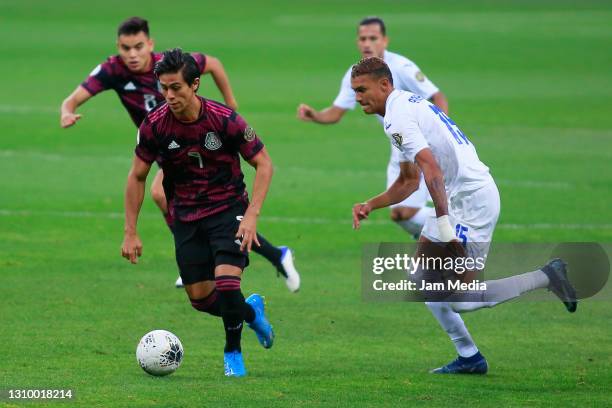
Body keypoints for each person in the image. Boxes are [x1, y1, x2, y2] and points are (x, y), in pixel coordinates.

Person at [350, 57, 577, 374]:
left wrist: (444, 225)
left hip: (472, 202)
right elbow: (409, 180)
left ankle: (547, 276)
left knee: (461, 299)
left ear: (385, 84)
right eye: (354, 91)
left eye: (362, 89)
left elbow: (432, 169)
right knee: (423, 280)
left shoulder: (397, 118)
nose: (358, 97)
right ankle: (469, 356)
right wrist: (371, 204)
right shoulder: (403, 108)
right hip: (457, 198)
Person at [61, 16, 300, 292]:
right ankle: (266, 255)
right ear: (118, 47)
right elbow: (72, 99)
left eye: (138, 46)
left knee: (167, 195)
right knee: (174, 200)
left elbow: (215, 64)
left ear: (150, 44)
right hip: (161, 144)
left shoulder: (173, 66)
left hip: (190, 143)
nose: (132, 54)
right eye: (125, 48)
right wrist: (67, 111)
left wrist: (231, 104)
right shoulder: (112, 70)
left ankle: (213, 258)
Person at [122, 48, 275, 377]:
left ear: (195, 85)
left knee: (228, 284)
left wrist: (252, 215)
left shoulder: (224, 119)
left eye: (176, 87)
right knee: (201, 299)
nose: (169, 95)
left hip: (228, 208)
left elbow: (263, 164)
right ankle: (251, 314)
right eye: (163, 88)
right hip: (187, 216)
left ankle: (232, 353)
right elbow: (137, 176)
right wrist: (130, 231)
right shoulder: (155, 126)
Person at [298, 16, 448, 238]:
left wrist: (438, 130)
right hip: (399, 141)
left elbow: (437, 96)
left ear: (384, 41)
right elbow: (336, 113)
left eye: (373, 38)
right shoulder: (357, 75)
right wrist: (315, 115)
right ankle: (437, 239)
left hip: (419, 140)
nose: (367, 43)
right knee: (399, 213)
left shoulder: (401, 67)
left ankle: (454, 226)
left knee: (406, 211)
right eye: (362, 38)